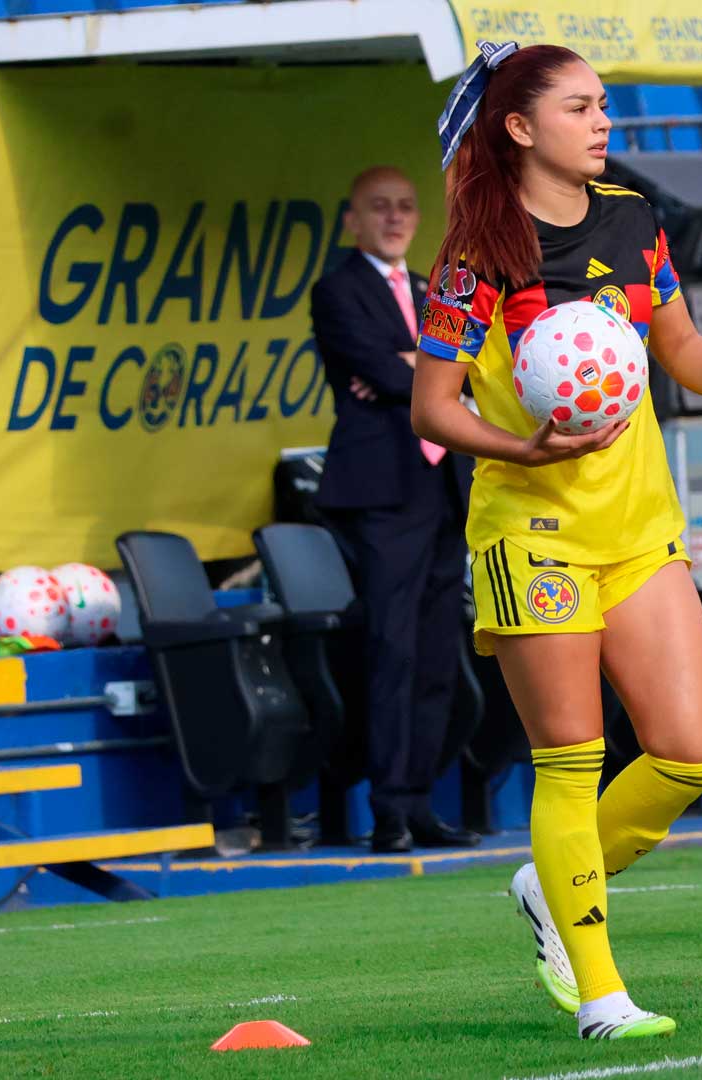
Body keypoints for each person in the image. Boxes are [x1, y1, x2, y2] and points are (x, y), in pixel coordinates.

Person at [410, 42, 702, 1040]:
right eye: (580, 106)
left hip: (638, 525)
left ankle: (552, 881)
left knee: (689, 755)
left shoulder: (635, 217)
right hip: (532, 534)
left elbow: (676, 338)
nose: (604, 120)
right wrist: (522, 443)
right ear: (520, 128)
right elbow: (431, 409)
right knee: (571, 760)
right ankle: (604, 998)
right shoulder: (477, 254)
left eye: (604, 103)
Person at [309, 166, 479, 854]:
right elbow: (383, 373)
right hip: (384, 494)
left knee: (440, 654)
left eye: (405, 207)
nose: (394, 217)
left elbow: (472, 366)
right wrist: (422, 371)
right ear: (352, 219)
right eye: (378, 208)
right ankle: (386, 811)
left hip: (445, 488)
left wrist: (419, 368)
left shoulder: (432, 289)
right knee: (392, 651)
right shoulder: (337, 288)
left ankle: (420, 801)